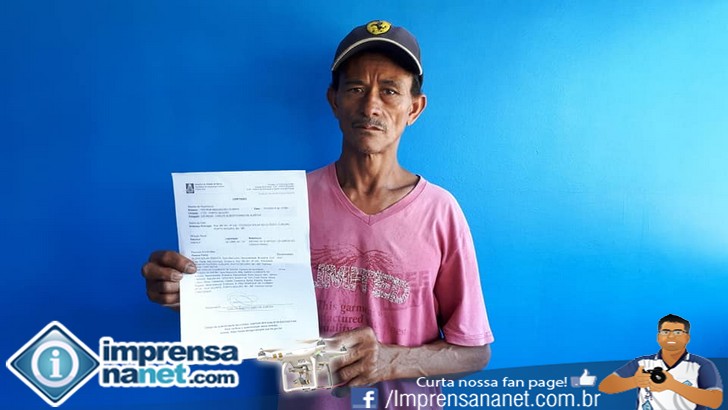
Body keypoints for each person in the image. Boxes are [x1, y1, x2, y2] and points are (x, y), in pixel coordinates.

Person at [142, 20, 494, 408]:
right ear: (334, 101)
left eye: (390, 90)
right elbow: (252, 311)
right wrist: (190, 297)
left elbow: (474, 352)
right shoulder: (285, 203)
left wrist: (391, 361)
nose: (371, 106)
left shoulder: (440, 212)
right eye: (355, 88)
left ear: (414, 108)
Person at [599, 314, 723, 410]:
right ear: (658, 337)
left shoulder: (701, 365)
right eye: (665, 331)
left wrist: (672, 385)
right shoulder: (643, 363)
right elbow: (605, 386)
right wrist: (634, 381)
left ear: (687, 337)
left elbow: (715, 401)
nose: (671, 336)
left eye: (678, 332)